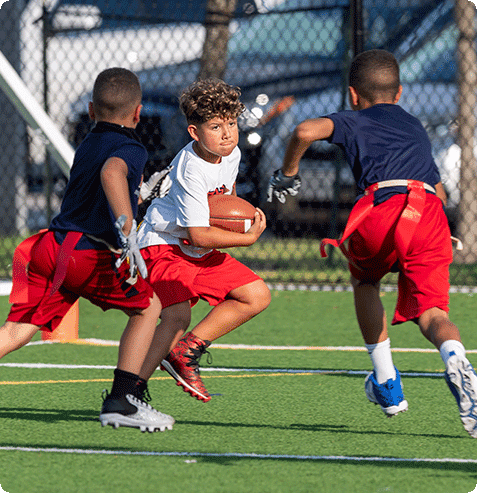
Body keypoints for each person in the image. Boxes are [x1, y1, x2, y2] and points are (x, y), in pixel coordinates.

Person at [267, 49, 477, 438]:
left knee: (366, 282)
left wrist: (289, 172)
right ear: (399, 93)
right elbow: (441, 191)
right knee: (432, 311)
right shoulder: (414, 125)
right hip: (428, 211)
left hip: (383, 208)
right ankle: (456, 358)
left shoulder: (353, 119)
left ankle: (387, 383)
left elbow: (302, 132)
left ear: (352, 94)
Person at [1, 67, 175, 432]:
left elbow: (101, 189)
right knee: (149, 307)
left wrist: (138, 197)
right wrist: (127, 228)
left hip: (51, 247)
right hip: (84, 252)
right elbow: (111, 174)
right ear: (138, 112)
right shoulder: (131, 148)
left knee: (18, 330)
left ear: (92, 110)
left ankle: (122, 401)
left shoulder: (89, 141)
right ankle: (121, 401)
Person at [136, 78, 271, 402]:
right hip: (162, 244)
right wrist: (247, 239)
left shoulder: (232, 153)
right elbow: (198, 232)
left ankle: (185, 352)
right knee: (177, 315)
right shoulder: (190, 168)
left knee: (256, 295)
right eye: (215, 126)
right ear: (195, 132)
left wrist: (238, 223)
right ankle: (129, 390)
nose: (227, 133)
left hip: (196, 247)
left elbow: (227, 198)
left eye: (232, 123)